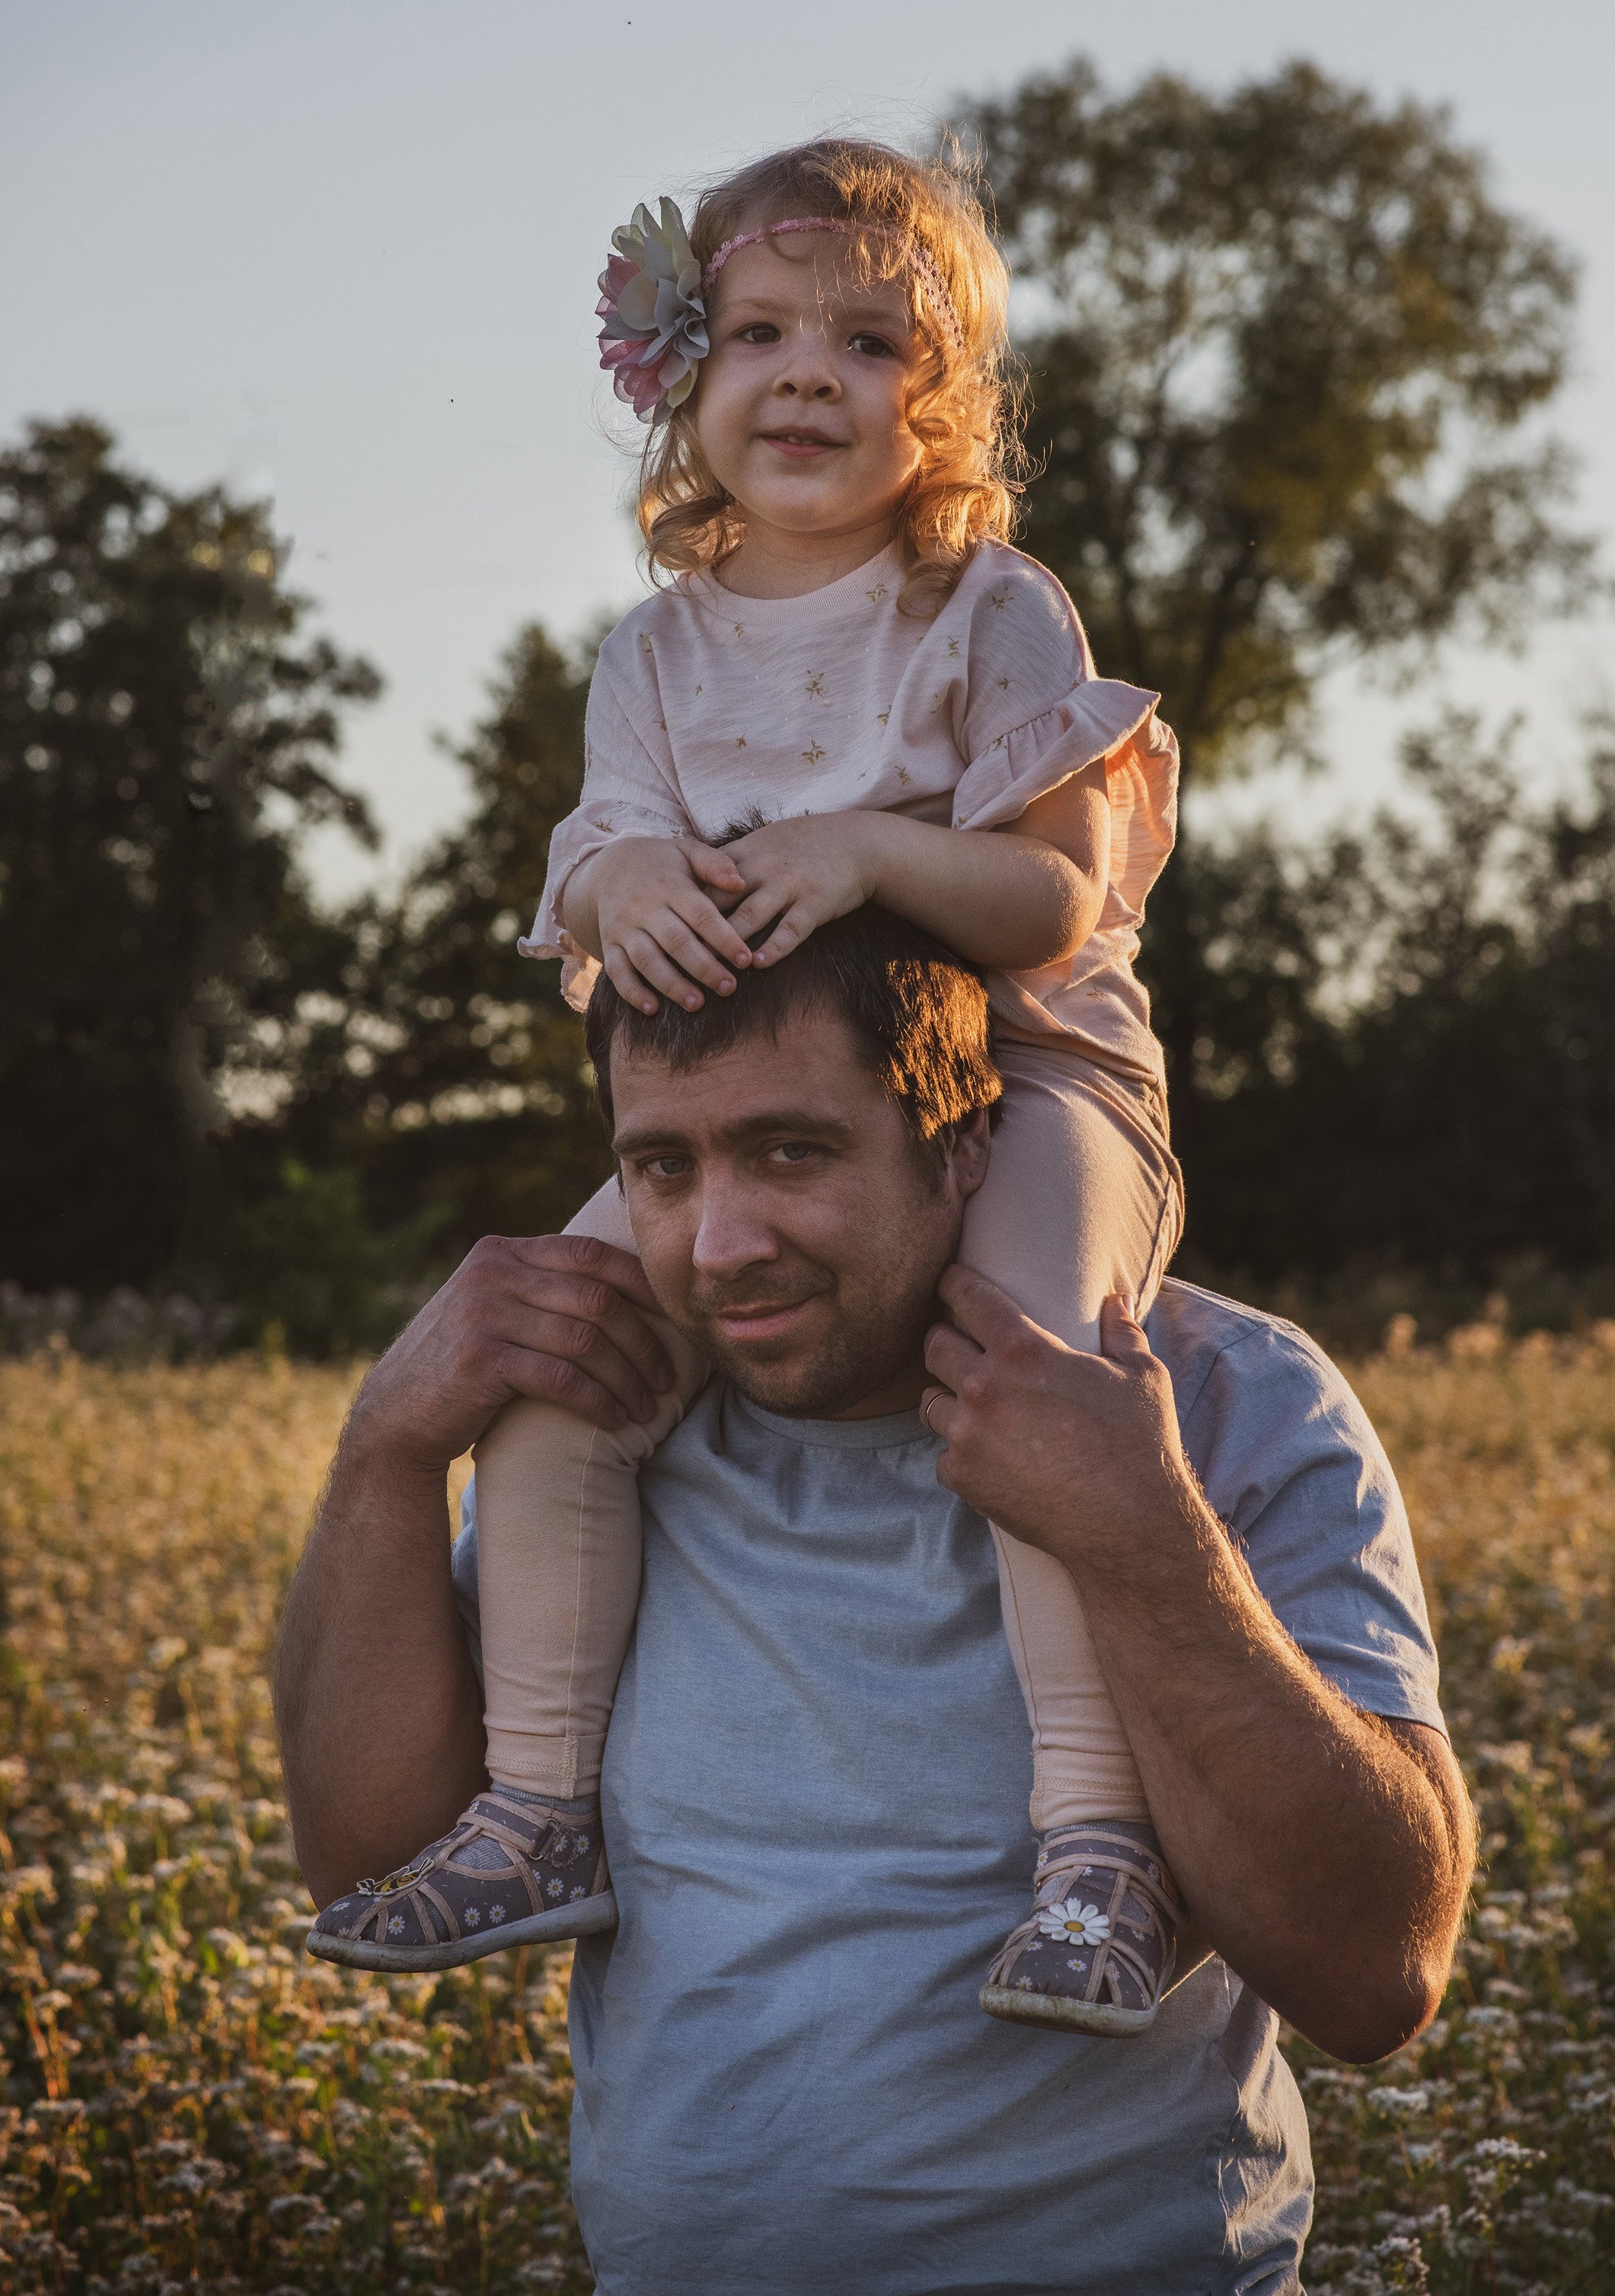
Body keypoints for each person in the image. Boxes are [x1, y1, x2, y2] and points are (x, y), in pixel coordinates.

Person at [308, 138, 1196, 2033]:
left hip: (1033, 1082)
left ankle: (1100, 1853)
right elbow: (607, 867)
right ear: (682, 380)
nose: (809, 373)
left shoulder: (985, 608)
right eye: (761, 331)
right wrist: (616, 876)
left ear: (937, 403)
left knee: (1036, 1372)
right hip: (774, 1136)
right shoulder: (653, 652)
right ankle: (541, 1806)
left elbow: (1052, 890)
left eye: (871, 341)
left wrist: (871, 852)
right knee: (556, 1375)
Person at [274, 909, 1473, 2296]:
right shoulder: (595, 1435)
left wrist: (1138, 1528)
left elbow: (1373, 1977)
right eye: (662, 1166)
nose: (719, 1244)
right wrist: (388, 1445)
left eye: (792, 1151)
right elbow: (364, 1857)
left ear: (965, 1144)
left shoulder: (1222, 1398)